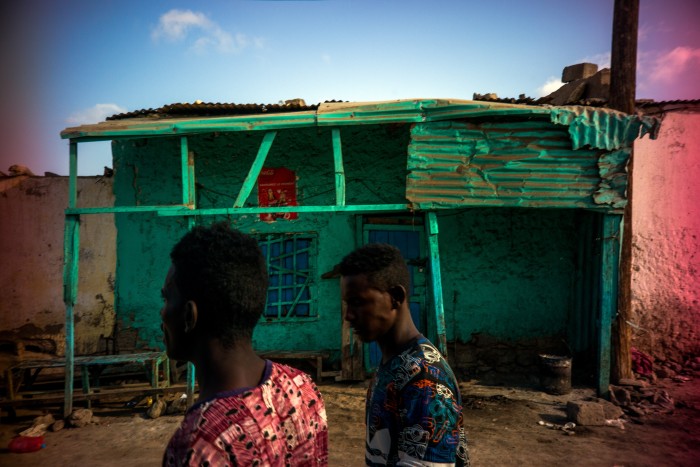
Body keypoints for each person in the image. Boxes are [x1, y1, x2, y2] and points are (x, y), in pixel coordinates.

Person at [161, 222, 328, 466]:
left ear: (189, 316)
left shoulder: (198, 445)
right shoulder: (302, 388)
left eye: (166, 298)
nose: (162, 313)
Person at [339, 243, 469, 466]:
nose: (349, 316)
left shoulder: (425, 379)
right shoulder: (393, 363)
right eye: (347, 304)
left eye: (358, 302)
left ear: (395, 297)